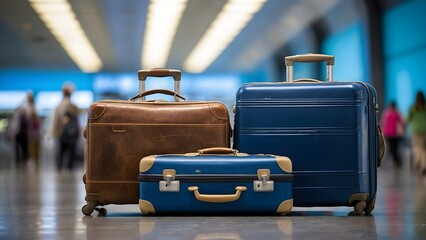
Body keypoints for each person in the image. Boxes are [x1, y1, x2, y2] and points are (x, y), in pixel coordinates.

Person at [53, 84, 80, 171]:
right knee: (71, 152)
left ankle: (60, 166)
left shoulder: (59, 105)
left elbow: (56, 121)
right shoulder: (72, 105)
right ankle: (69, 167)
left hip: (61, 133)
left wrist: (56, 132)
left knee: (61, 152)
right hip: (71, 133)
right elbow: (76, 117)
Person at [9, 93, 40, 168]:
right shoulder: (32, 109)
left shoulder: (21, 109)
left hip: (22, 133)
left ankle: (21, 163)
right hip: (26, 133)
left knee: (22, 149)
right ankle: (24, 162)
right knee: (26, 149)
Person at [406, 91, 426, 175]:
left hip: (416, 130)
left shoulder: (413, 107)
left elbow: (408, 119)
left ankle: (418, 161)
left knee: (417, 147)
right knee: (423, 148)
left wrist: (404, 126)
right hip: (424, 129)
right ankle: (423, 164)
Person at [381, 101, 405, 168]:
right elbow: (383, 122)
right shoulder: (387, 113)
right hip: (388, 133)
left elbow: (401, 122)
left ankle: (397, 161)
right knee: (392, 148)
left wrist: (403, 130)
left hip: (396, 134)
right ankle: (396, 161)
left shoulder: (397, 113)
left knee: (395, 148)